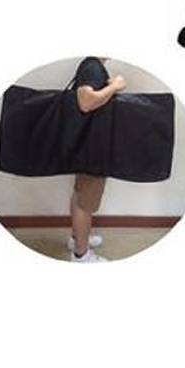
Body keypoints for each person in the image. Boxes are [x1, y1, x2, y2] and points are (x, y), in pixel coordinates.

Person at [68, 56, 126, 263]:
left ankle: (78, 239)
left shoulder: (91, 65)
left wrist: (109, 87)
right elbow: (86, 102)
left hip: (86, 143)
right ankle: (81, 256)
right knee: (86, 201)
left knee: (80, 195)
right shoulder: (92, 66)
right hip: (92, 146)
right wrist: (115, 86)